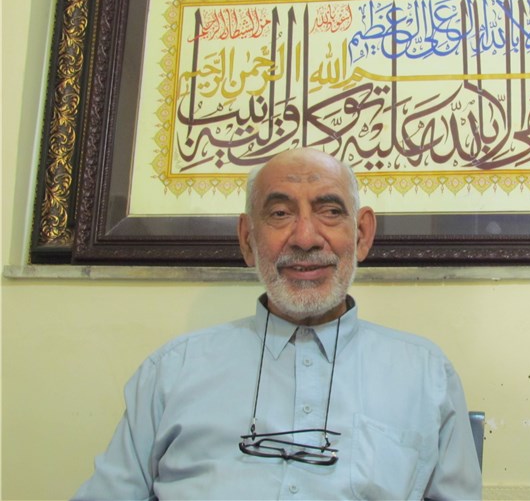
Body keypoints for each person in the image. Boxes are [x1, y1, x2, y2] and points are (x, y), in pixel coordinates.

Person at [73, 148, 482, 500]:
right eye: (280, 213)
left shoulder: (426, 376)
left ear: (361, 235)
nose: (305, 238)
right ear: (247, 239)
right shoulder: (171, 372)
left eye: (330, 211)